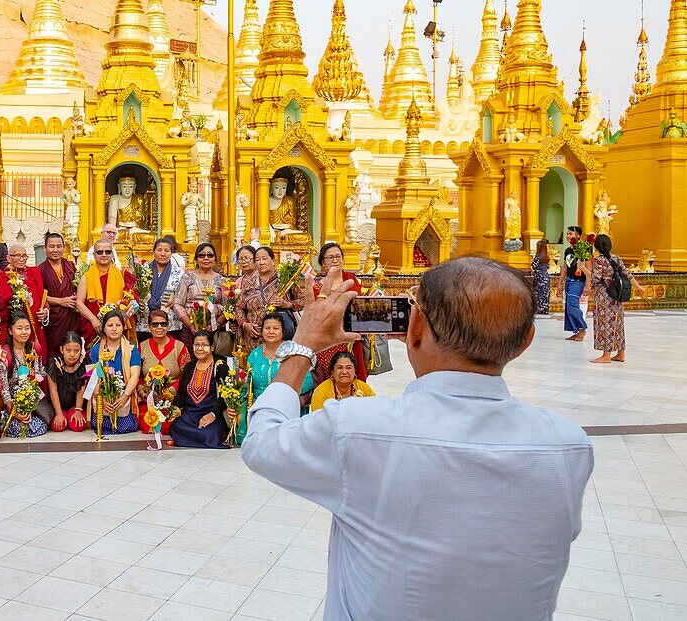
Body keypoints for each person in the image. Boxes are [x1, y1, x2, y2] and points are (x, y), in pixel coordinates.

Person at [241, 259, 593, 620]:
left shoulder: (357, 428)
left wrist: (302, 345)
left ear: (416, 324)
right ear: (524, 342)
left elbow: (262, 442)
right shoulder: (568, 446)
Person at [231, 313, 313, 445]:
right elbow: (249, 384)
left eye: (275, 328)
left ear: (283, 331)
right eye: (267, 328)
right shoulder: (255, 355)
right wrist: (235, 401)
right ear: (261, 331)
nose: (271, 332)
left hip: (285, 405)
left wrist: (284, 390)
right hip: (259, 406)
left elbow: (308, 381)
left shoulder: (294, 352)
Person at [310, 243, 368, 382]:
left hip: (350, 334)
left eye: (338, 256)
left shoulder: (352, 279)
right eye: (330, 257)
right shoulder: (318, 287)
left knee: (352, 373)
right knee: (330, 375)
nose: (335, 260)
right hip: (328, 337)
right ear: (323, 262)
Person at [235, 246, 304, 356]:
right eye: (257, 260)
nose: (261, 262)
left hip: (281, 335)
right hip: (254, 337)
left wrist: (287, 304)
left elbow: (304, 300)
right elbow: (239, 307)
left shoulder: (284, 279)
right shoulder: (248, 282)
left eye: (264, 258)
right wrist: (244, 324)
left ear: (273, 260)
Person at [170, 330, 229, 448]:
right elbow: (181, 394)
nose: (200, 349)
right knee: (176, 426)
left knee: (210, 434)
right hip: (190, 415)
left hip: (212, 415)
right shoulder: (189, 366)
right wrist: (174, 410)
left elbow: (224, 396)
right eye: (196, 345)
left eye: (204, 345)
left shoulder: (220, 366)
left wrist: (212, 415)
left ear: (212, 347)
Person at [87, 310, 141, 434]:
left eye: (118, 325)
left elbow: (135, 376)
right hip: (103, 396)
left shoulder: (132, 349)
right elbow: (93, 378)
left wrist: (124, 396)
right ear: (104, 329)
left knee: (125, 427)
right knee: (101, 425)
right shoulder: (96, 350)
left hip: (124, 394)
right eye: (110, 325)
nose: (114, 329)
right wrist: (101, 399)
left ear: (123, 327)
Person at [589, 234, 641, 364]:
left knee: (605, 323)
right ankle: (620, 353)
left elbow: (595, 279)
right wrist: (638, 286)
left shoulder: (599, 260)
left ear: (597, 246)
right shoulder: (616, 258)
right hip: (617, 295)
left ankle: (606, 355)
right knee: (617, 323)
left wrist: (583, 267)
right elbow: (627, 274)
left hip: (604, 296)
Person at [0, 312, 51, 438]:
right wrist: (15, 413)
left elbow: (38, 373)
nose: (24, 332)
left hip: (30, 395)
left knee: (38, 427)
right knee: (19, 428)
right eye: (19, 328)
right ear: (10, 331)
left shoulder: (33, 349)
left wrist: (29, 400)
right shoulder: (4, 354)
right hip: (11, 399)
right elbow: (4, 389)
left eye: (27, 328)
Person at [138, 309, 190, 434]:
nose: (159, 327)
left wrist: (170, 392)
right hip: (149, 399)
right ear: (148, 327)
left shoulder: (179, 346)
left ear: (168, 326)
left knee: (168, 427)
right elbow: (137, 374)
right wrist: (141, 391)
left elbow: (186, 375)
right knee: (147, 425)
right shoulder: (142, 347)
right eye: (155, 324)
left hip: (172, 398)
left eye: (163, 324)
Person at [76, 239, 135, 342]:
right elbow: (79, 303)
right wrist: (94, 320)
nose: (104, 255)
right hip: (94, 326)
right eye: (100, 252)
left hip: (116, 326)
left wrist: (122, 317)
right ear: (94, 255)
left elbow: (128, 301)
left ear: (112, 255)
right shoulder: (87, 277)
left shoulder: (121, 275)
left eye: (107, 252)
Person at [172, 243, 226, 349]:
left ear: (215, 259)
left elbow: (228, 308)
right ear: (196, 259)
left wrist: (217, 324)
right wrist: (191, 326)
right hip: (189, 329)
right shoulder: (187, 277)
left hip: (215, 330)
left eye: (210, 255)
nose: (206, 258)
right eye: (202, 255)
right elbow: (177, 304)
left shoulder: (222, 280)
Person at [38, 232, 80, 359]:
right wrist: (62, 301)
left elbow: (77, 288)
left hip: (72, 317)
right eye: (51, 246)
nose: (55, 250)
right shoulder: (41, 270)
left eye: (59, 246)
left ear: (64, 247)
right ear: (45, 248)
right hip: (54, 319)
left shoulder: (70, 266)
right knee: (54, 354)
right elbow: (41, 296)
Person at [7, 242, 48, 358]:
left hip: (36, 323)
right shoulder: (4, 275)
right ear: (8, 258)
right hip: (16, 326)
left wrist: (45, 311)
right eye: (17, 256)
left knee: (38, 354)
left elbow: (43, 298)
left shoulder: (34, 272)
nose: (22, 259)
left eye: (24, 256)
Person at [45, 331, 89, 433]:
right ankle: (63, 413)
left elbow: (81, 388)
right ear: (61, 349)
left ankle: (72, 412)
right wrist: (59, 414)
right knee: (58, 427)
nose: (72, 355)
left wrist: (78, 410)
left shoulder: (83, 363)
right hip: (58, 405)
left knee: (77, 426)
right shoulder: (54, 364)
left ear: (81, 350)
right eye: (68, 350)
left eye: (76, 351)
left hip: (75, 404)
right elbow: (53, 390)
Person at [141, 238, 184, 340]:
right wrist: (138, 301)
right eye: (159, 250)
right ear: (153, 252)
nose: (163, 254)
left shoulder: (178, 273)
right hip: (145, 321)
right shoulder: (142, 270)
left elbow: (184, 296)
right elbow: (133, 293)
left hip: (170, 321)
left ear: (171, 253)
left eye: (167, 251)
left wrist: (176, 300)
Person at [309, 350, 375, 411]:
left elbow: (374, 411)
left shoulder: (364, 388)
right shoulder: (321, 391)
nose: (344, 372)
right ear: (332, 371)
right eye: (339, 368)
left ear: (355, 370)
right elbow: (318, 420)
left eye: (348, 368)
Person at [555, 225, 589, 341]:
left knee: (572, 305)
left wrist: (588, 284)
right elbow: (565, 266)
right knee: (568, 307)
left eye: (571, 234)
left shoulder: (584, 249)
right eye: (567, 234)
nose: (568, 236)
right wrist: (560, 283)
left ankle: (582, 328)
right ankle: (575, 330)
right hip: (569, 280)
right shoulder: (568, 250)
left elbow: (589, 268)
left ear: (578, 236)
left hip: (578, 281)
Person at [532, 239, 551, 316]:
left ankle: (539, 309)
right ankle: (545, 309)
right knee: (545, 293)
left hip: (539, 277)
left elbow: (534, 266)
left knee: (538, 293)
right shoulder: (546, 256)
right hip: (545, 276)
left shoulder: (538, 256)